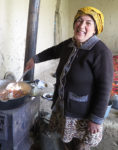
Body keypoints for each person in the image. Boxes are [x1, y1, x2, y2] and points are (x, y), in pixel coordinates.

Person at [25, 6, 113, 150]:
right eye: (79, 20)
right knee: (65, 140)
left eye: (88, 23)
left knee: (81, 146)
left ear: (96, 29)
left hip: (82, 113)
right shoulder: (70, 44)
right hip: (63, 106)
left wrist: (96, 118)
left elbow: (104, 88)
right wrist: (35, 59)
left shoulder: (101, 52)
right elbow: (54, 51)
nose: (82, 26)